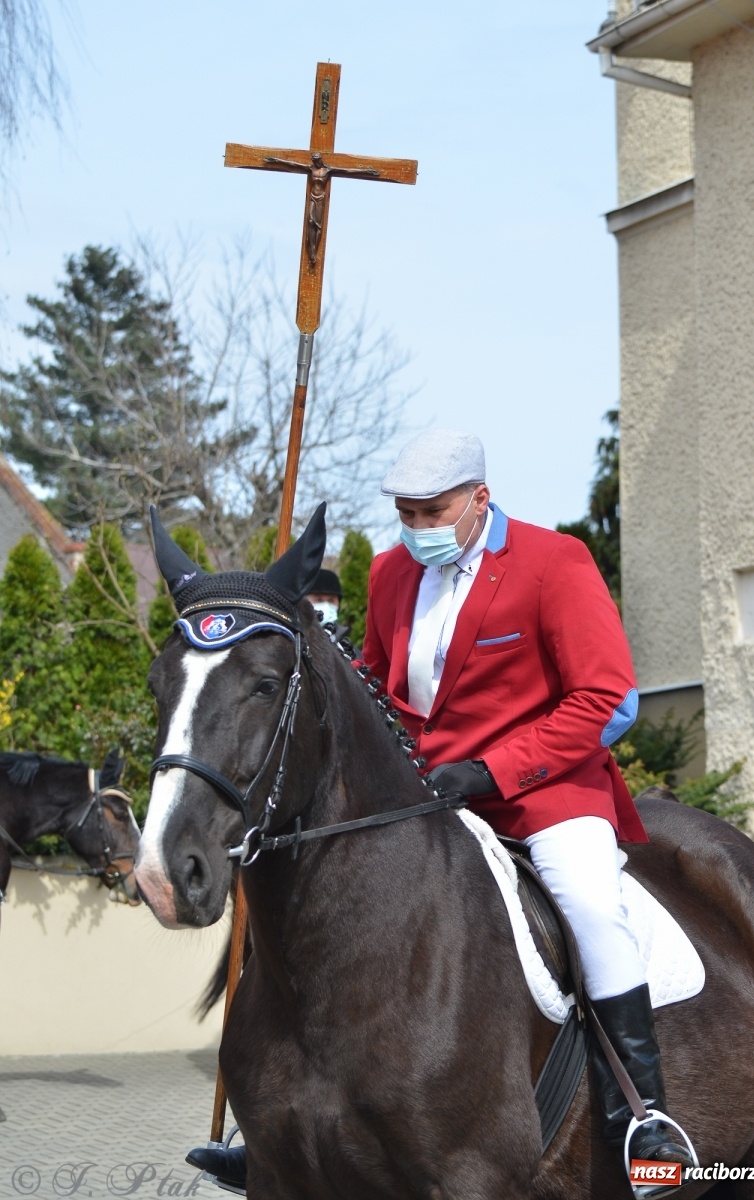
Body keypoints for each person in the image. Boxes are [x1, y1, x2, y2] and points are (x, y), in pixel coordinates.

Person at [188, 430, 693, 1190]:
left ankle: (644, 1119)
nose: (416, 528)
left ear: (479, 498)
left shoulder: (554, 562)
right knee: (303, 896)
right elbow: (375, 690)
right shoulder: (390, 571)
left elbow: (605, 699)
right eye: (406, 513)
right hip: (423, 795)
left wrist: (492, 769)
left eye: (432, 512)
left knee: (591, 907)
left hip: (545, 792)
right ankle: (273, 1128)